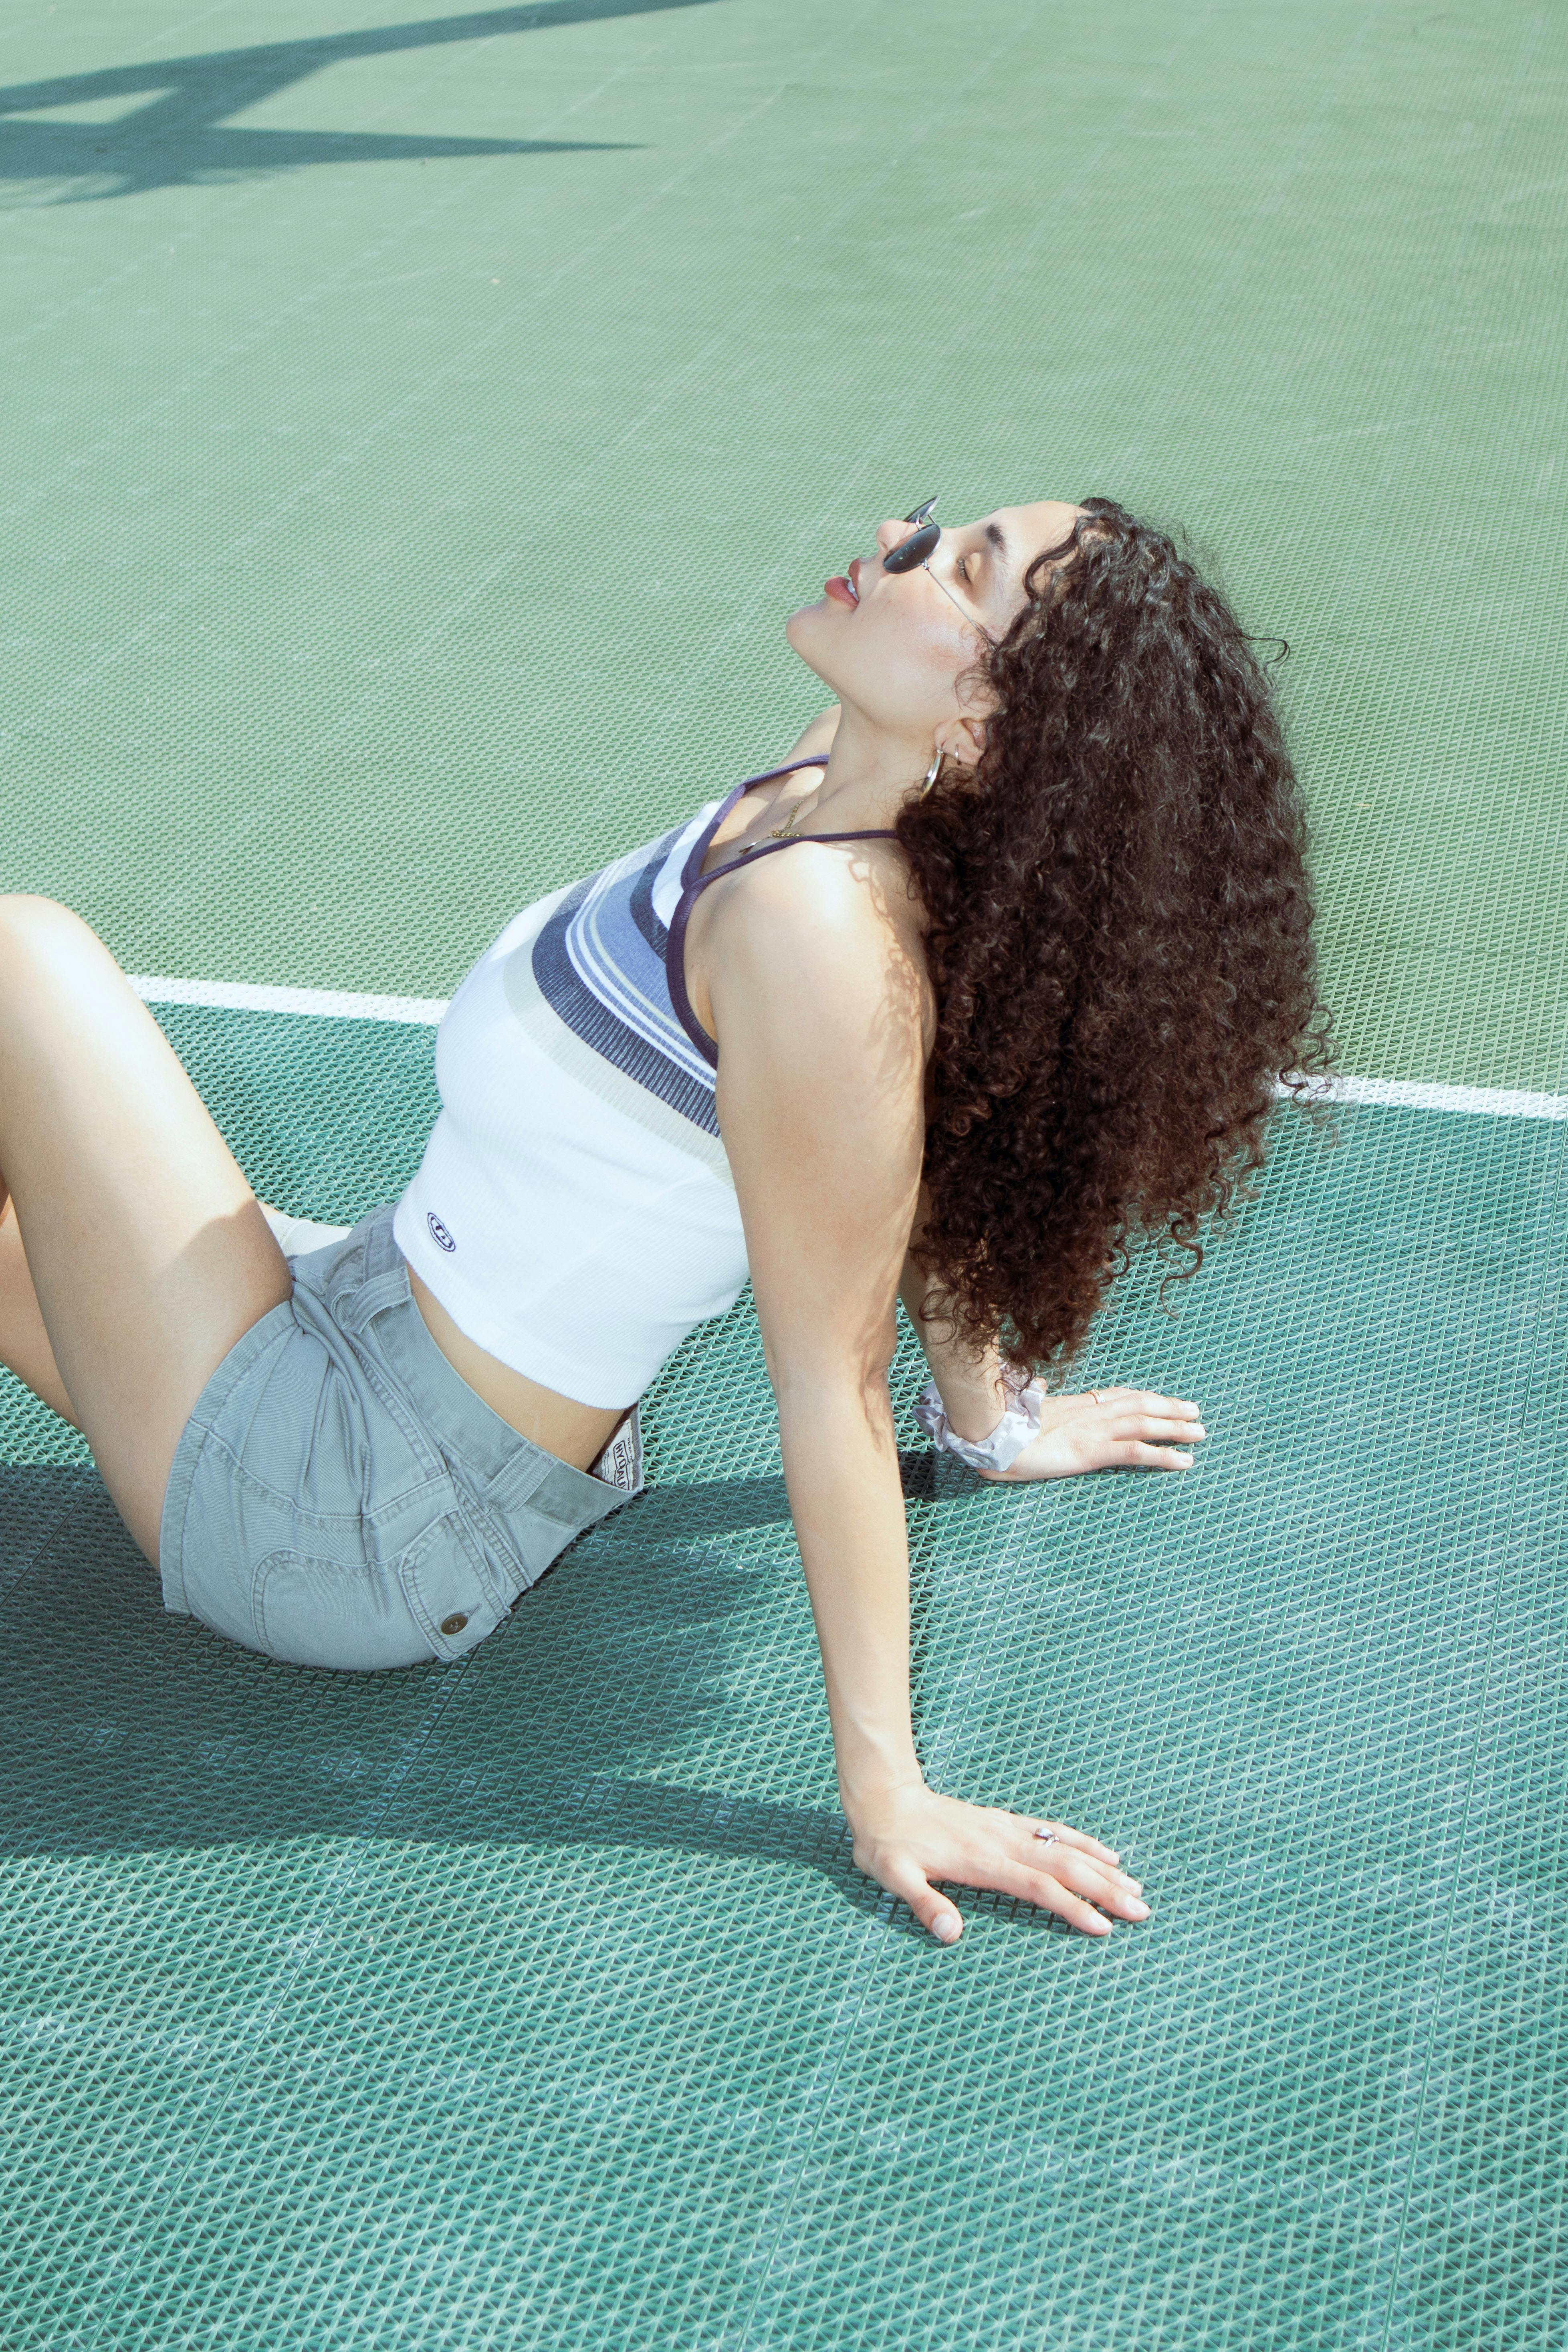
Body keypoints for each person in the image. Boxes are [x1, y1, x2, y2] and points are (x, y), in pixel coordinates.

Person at [0, 496, 1326, 1944]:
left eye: (959, 570)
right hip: (353, 1312)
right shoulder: (826, 789)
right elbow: (938, 1155)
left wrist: (887, 1794)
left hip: (362, 1505)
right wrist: (992, 1422)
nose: (894, 537)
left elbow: (830, 1379)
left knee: (24, 963)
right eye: (943, 525)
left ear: (987, 725)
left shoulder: (818, 938)